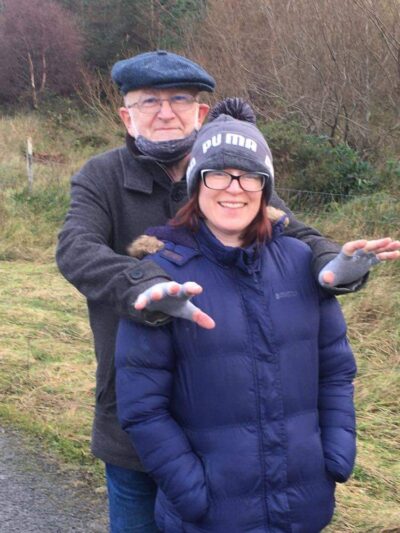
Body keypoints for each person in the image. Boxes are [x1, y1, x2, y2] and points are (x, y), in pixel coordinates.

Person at [56, 50, 399, 532]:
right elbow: (75, 249)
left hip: (233, 430)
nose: (164, 111)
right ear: (126, 117)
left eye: (179, 99)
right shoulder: (101, 177)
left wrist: (332, 265)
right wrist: (149, 285)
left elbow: (292, 234)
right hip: (136, 413)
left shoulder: (231, 166)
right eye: (147, 101)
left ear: (200, 112)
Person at [114, 103, 358, 532]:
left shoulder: (302, 263)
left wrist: (335, 456)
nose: (233, 188)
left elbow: (335, 372)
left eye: (249, 175)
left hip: (302, 506)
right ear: (196, 184)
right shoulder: (163, 278)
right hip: (209, 516)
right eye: (218, 174)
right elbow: (142, 408)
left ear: (265, 189)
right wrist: (192, 491)